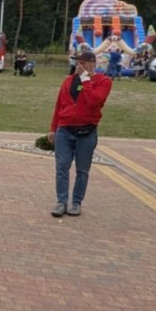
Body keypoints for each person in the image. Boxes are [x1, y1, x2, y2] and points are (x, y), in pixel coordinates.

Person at [49, 48, 112, 218]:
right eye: (77, 62)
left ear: (92, 64)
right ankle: (61, 201)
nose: (79, 66)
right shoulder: (68, 81)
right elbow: (59, 105)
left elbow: (94, 102)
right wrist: (53, 128)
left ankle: (76, 202)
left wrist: (85, 80)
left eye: (83, 62)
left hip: (86, 131)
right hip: (65, 129)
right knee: (62, 166)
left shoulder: (103, 81)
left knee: (82, 170)